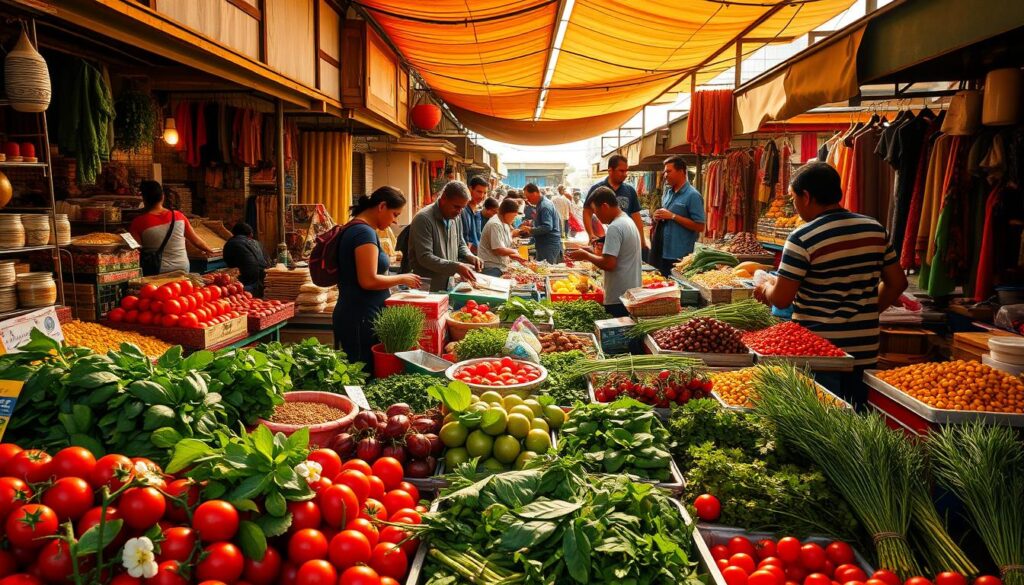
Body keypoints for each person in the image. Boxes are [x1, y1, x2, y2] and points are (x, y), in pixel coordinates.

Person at [753, 162, 908, 409]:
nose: (794, 205)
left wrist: (765, 288)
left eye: (794, 198)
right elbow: (897, 282)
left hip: (818, 352)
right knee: (858, 422)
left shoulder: (803, 237)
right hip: (864, 349)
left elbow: (781, 299)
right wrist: (865, 311)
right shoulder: (874, 229)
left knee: (821, 424)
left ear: (806, 197)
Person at [333, 187, 422, 371]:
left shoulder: (360, 229)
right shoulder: (363, 233)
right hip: (359, 318)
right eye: (394, 214)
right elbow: (368, 280)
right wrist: (401, 279)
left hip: (360, 315)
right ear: (382, 206)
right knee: (361, 374)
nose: (395, 221)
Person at [566, 186, 641, 318]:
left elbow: (608, 264)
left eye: (596, 211)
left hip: (618, 297)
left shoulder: (615, 227)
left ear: (605, 206)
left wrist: (586, 255)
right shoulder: (628, 221)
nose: (596, 216)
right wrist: (592, 251)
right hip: (631, 294)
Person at [408, 181, 483, 291]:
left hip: (448, 285)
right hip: (427, 288)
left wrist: (469, 255)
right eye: (456, 206)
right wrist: (456, 267)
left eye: (462, 208)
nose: (459, 212)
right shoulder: (423, 219)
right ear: (443, 199)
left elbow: (460, 242)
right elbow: (425, 257)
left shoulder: (455, 217)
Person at [130, 180, 213, 275]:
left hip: (158, 270)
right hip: (182, 268)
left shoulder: (138, 222)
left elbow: (136, 250)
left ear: (144, 199)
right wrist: (208, 250)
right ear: (162, 197)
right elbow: (197, 241)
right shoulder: (178, 216)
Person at [651, 156, 706, 276]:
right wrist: (657, 216)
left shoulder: (693, 195)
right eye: (665, 171)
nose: (665, 175)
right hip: (662, 251)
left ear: (681, 171)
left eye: (668, 171)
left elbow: (700, 226)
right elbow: (666, 216)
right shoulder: (667, 192)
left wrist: (673, 216)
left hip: (680, 255)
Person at [584, 154, 645, 251]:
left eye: (626, 171)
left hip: (626, 238)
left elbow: (636, 216)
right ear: (610, 170)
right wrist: (591, 234)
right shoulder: (597, 189)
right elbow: (587, 212)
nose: (625, 174)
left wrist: (642, 240)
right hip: (604, 238)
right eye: (621, 171)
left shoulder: (630, 190)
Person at [479, 199, 526, 277]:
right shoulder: (495, 224)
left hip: (499, 267)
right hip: (491, 268)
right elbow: (498, 250)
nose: (514, 218)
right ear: (507, 213)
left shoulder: (504, 223)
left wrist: (516, 256)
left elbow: (504, 248)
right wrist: (515, 251)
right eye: (514, 216)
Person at [223, 222, 271, 295]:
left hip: (245, 285)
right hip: (264, 281)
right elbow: (267, 261)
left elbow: (230, 264)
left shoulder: (231, 243)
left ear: (233, 233)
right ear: (250, 234)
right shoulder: (257, 243)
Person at [519, 183, 562, 264]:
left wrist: (531, 230)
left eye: (528, 197)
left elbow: (547, 227)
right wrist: (532, 223)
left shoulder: (544, 206)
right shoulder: (541, 204)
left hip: (548, 245)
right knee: (542, 269)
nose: (528, 200)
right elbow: (542, 222)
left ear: (535, 193)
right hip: (545, 243)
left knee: (546, 270)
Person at [461, 176, 488, 254]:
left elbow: (478, 235)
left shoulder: (478, 211)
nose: (482, 196)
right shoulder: (462, 211)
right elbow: (463, 238)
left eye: (484, 193)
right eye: (479, 192)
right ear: (470, 189)